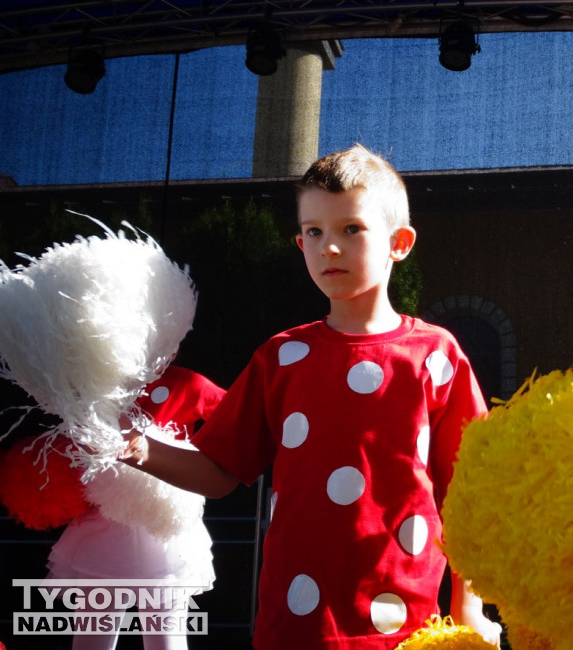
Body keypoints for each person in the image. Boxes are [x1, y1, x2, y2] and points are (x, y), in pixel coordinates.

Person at [119, 145, 501, 649]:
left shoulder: (437, 355)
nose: (330, 247)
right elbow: (218, 472)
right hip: (295, 625)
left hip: (407, 626)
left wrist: (467, 609)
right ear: (300, 243)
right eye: (315, 232)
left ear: (399, 242)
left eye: (351, 228)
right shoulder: (280, 357)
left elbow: (471, 492)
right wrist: (135, 448)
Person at [46, 361, 225, 650]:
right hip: (104, 525)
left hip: (165, 532)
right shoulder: (100, 386)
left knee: (166, 639)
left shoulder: (188, 383)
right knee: (94, 638)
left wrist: (198, 461)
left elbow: (237, 417)